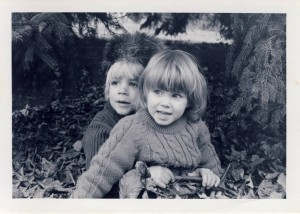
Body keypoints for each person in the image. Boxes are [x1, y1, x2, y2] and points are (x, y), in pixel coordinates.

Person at [71, 50, 222, 198]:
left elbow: (209, 162)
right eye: (158, 92)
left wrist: (210, 177)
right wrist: (78, 204)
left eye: (175, 96)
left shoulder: (195, 127)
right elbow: (102, 171)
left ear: (188, 100)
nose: (165, 103)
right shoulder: (133, 128)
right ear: (145, 92)